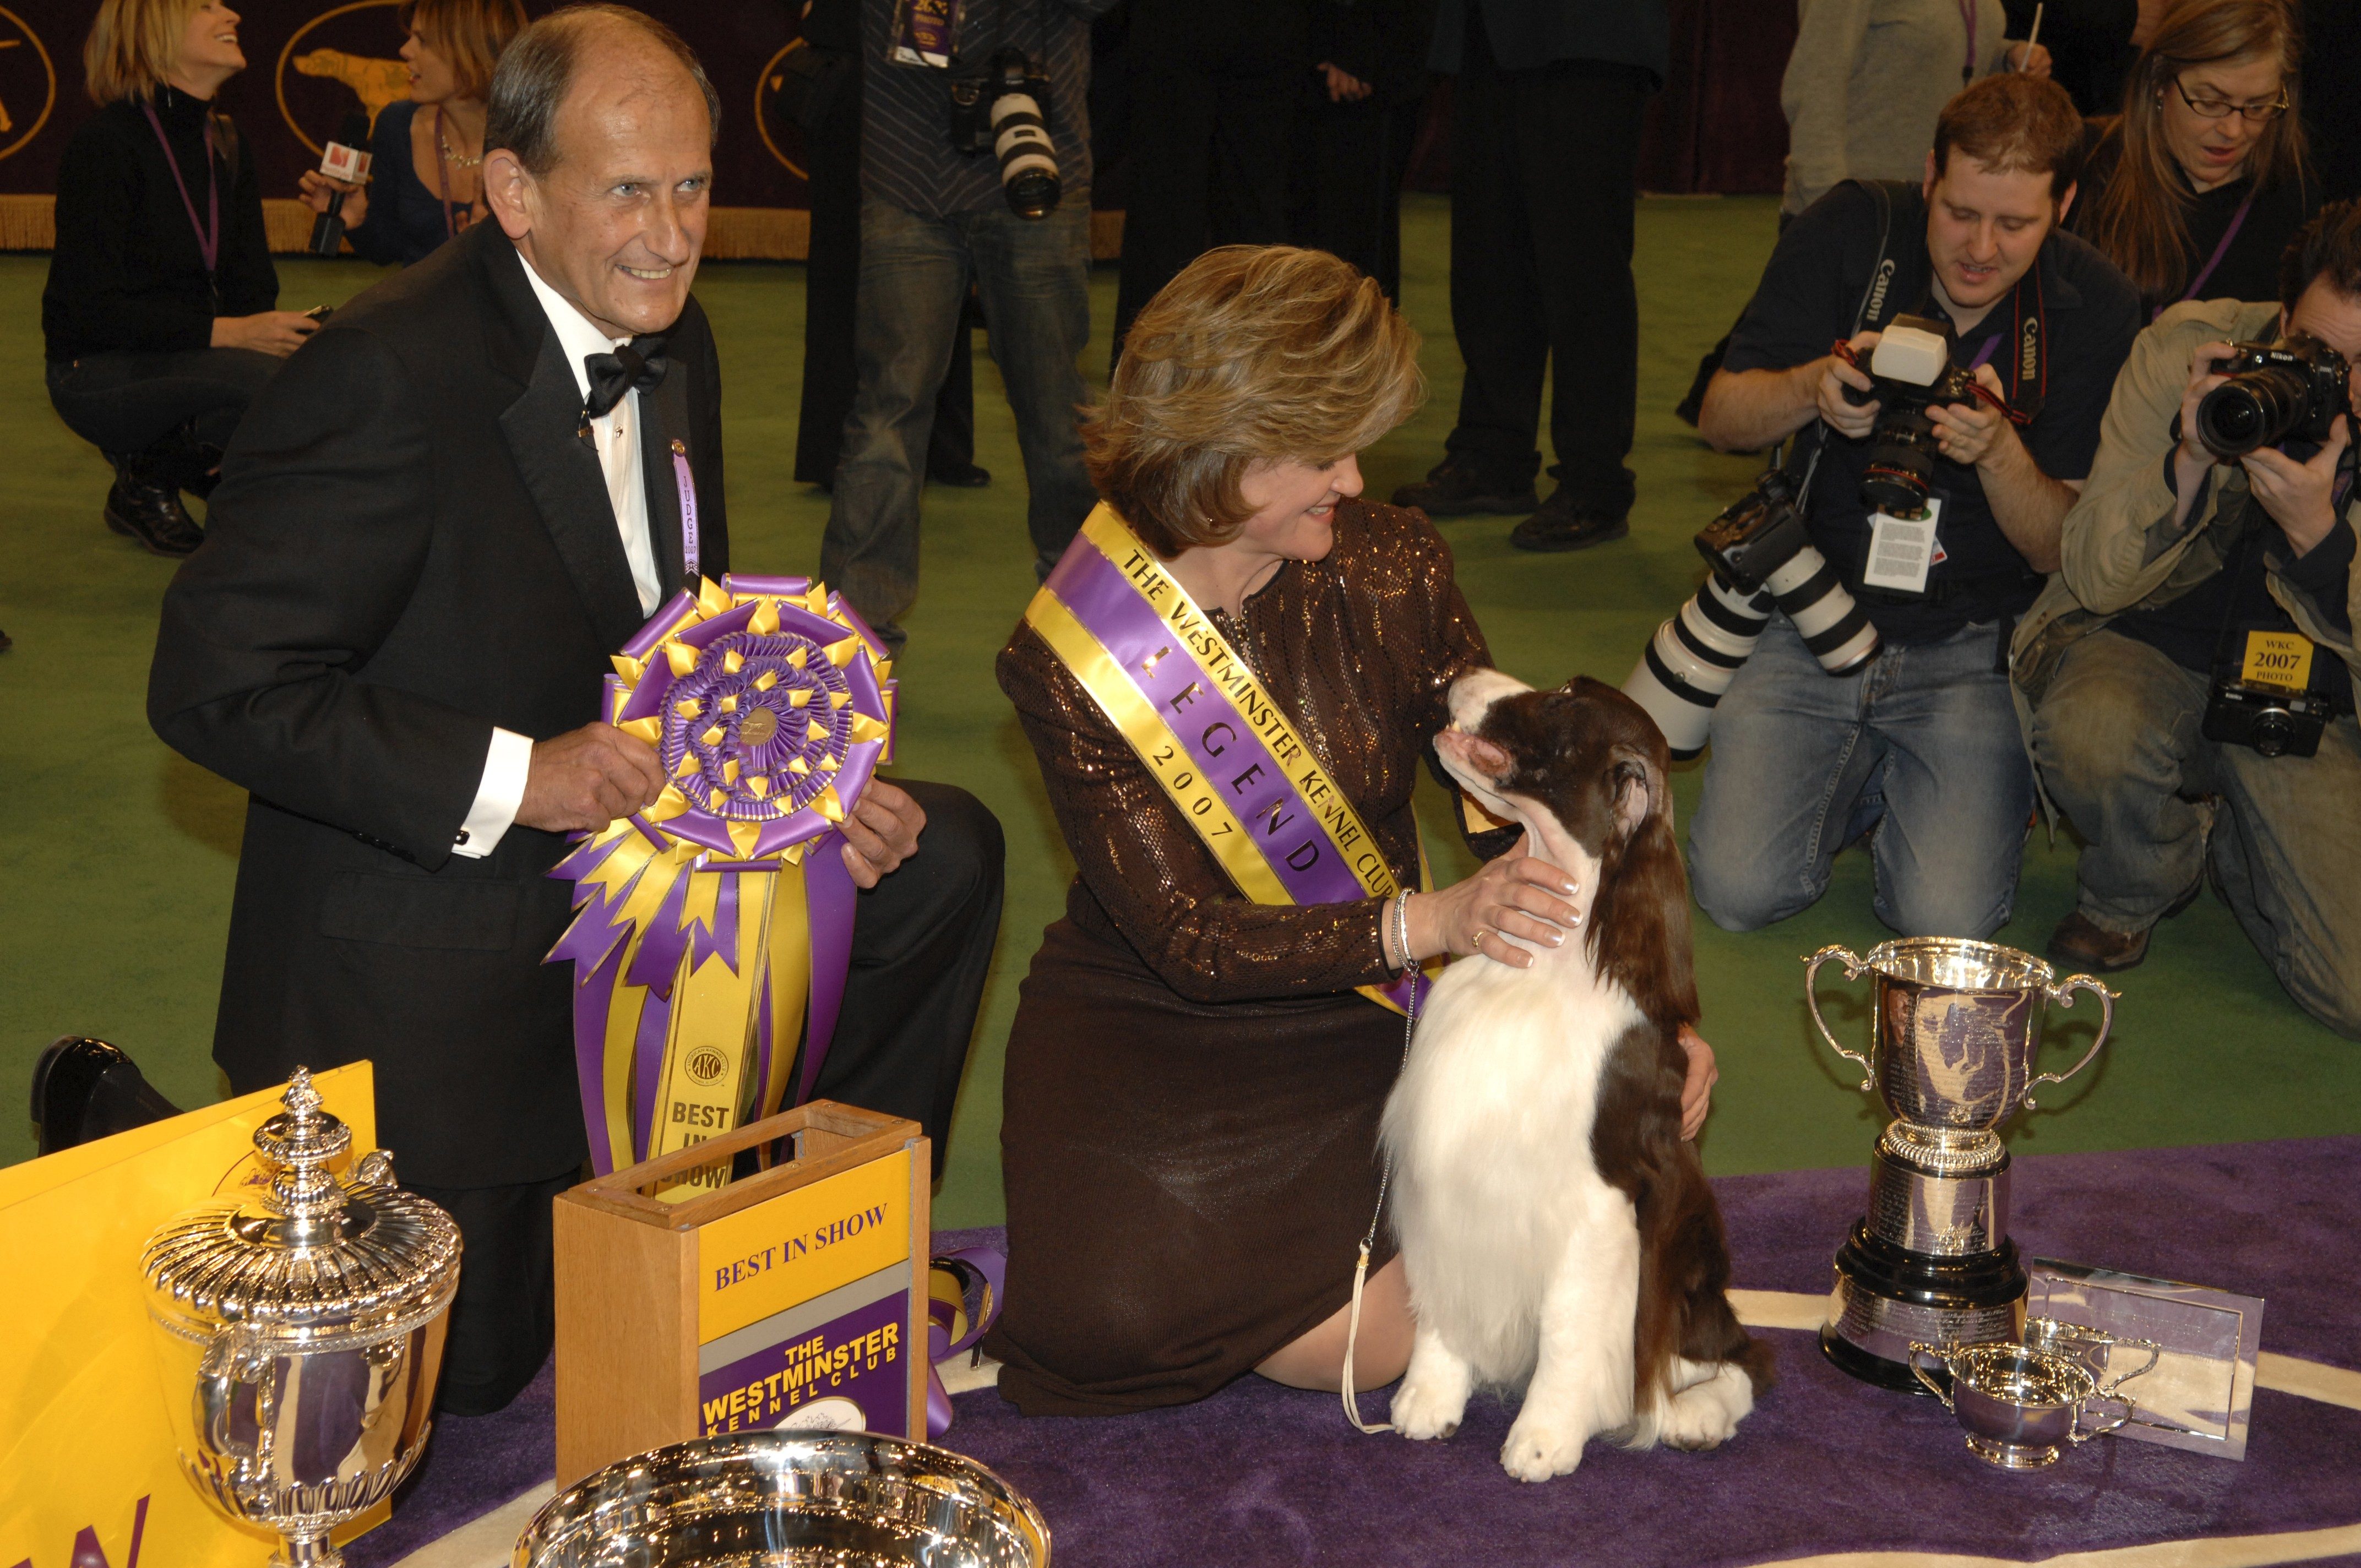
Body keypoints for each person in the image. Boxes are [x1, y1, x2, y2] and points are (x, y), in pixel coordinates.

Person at [148, 6, 1005, 1417]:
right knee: (478, 1377)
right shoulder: (381, 373)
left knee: (933, 854)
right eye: (626, 191)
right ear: (511, 196)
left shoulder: (674, 332)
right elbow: (216, 683)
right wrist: (518, 776)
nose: (671, 234)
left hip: (633, 881)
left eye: (690, 186)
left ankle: (793, 1242)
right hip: (439, 931)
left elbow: (682, 643)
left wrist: (804, 785)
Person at [985, 246, 1717, 1414]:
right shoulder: (1067, 654)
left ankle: (1510, 1225)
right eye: (1321, 451)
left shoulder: (1390, 562)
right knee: (1098, 1327)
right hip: (1151, 1007)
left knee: (1360, 1350)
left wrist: (1654, 1016)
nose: (1354, 473)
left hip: (1357, 1015)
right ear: (1222, 449)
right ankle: (1518, 1229)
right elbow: (1184, 937)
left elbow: (1524, 807)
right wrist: (1427, 921)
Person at [1690, 74, 2142, 939]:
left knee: (1943, 922)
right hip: (1813, 613)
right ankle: (1870, 775)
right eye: (1961, 211)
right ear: (1930, 175)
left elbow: (2058, 552)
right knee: (1739, 892)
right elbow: (1721, 420)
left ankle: (1894, 777)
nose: (1979, 247)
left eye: (2015, 225)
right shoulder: (1853, 229)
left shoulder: (2097, 308)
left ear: (2066, 206)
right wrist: (1811, 390)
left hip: (1974, 643)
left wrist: (2001, 452)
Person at [2012, 202, 2359, 1032]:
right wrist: (2190, 461)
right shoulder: (2186, 351)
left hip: (2312, 699)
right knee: (2091, 729)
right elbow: (2092, 573)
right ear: (2281, 321)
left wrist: (2319, 539)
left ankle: (2243, 835)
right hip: (2147, 648)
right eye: (2323, 355)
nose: (2344, 388)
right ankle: (2136, 883)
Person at [817, 0, 1118, 655]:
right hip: (906, 171)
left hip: (1038, 163)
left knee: (1060, 418)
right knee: (885, 417)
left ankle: (1097, 642)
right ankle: (852, 657)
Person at [1388, 0, 1666, 552]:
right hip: (1487, 36)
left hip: (1588, 36)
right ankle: (1492, 455)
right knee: (1487, 260)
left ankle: (1595, 483)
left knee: (1581, 271)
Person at [43, 0, 317, 558]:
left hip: (192, 355)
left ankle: (187, 473)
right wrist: (232, 335)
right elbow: (89, 312)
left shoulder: (226, 141)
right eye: (206, 6)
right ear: (152, 32)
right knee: (270, 387)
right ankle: (153, 474)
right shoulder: (105, 145)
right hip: (97, 371)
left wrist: (274, 335)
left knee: (323, 369)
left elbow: (251, 286)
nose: (233, 15)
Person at [788, 0, 986, 493]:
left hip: (945, 70)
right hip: (856, 75)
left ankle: (944, 446)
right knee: (846, 269)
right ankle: (836, 450)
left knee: (949, 258)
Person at [2069, 0, 2318, 319]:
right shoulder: (2086, 161)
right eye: (2211, 102)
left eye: (2258, 107)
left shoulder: (2291, 194)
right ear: (2160, 79)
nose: (2233, 130)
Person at [1106, 0, 1307, 369]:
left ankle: (1250, 376)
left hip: (1244, 32)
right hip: (1213, 29)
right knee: (1178, 216)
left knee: (1229, 219)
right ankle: (1154, 377)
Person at [295, 0, 526, 268]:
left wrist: (500, 249)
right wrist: (357, 221)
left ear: (473, 51)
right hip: (424, 310)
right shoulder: (396, 124)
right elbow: (387, 249)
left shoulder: (533, 135)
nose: (404, 51)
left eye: (423, 41)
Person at [1781, 0, 2053, 222]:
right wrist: (1829, 202)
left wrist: (2006, 56)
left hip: (1938, 205)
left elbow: (1935, 43)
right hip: (1858, 203)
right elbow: (1815, 82)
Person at [1287, 0, 1438, 304]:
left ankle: (1360, 347)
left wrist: (1351, 46)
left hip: (1359, 66)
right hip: (1294, 56)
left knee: (1349, 251)